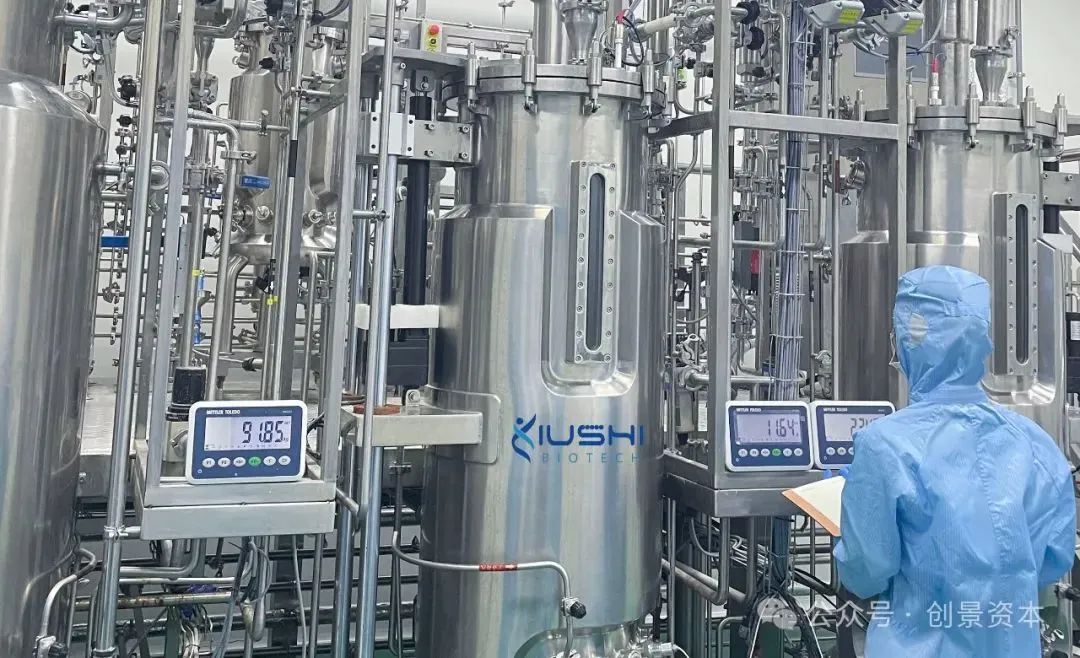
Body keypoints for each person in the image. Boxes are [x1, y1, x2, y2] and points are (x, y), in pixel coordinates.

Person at [834, 265, 1076, 657]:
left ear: (911, 341)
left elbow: (866, 572)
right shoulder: (1035, 444)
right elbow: (1053, 559)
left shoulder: (885, 445)